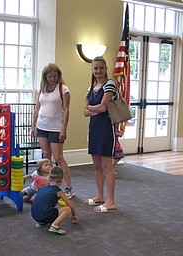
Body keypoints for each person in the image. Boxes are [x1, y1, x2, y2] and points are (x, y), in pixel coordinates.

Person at [31, 63, 74, 199]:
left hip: (56, 128)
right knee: (46, 157)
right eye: (49, 77)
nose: (52, 79)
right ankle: (46, 186)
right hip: (42, 126)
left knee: (59, 158)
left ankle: (69, 187)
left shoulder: (63, 89)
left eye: (54, 76)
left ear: (58, 76)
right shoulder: (42, 89)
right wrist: (33, 126)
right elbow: (37, 108)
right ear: (45, 77)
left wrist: (64, 128)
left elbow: (66, 109)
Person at [83, 56, 117, 213]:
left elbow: (104, 108)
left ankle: (111, 201)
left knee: (106, 166)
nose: (98, 71)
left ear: (105, 69)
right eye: (95, 68)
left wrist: (91, 108)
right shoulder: (91, 88)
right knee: (96, 166)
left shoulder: (110, 84)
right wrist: (93, 108)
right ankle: (100, 196)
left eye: (101, 68)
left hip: (105, 129)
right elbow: (85, 112)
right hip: (94, 129)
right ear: (92, 70)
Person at [31, 166, 78, 235]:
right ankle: (55, 225)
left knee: (47, 208)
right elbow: (71, 206)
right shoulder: (59, 192)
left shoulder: (42, 188)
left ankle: (42, 223)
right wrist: (74, 216)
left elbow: (33, 199)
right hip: (44, 216)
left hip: (35, 216)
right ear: (61, 180)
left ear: (48, 178)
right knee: (67, 209)